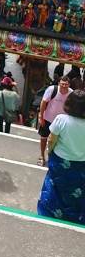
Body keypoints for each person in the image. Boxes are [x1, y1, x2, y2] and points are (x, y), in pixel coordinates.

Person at [37, 88, 85, 225]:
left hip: (60, 161)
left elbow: (51, 140)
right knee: (77, 190)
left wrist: (49, 153)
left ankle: (50, 211)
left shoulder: (61, 119)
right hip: (81, 164)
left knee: (54, 186)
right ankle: (75, 216)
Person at [38, 75, 71, 166]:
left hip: (61, 123)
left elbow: (71, 107)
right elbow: (43, 102)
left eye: (66, 85)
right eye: (62, 84)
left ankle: (51, 158)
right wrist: (41, 116)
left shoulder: (71, 93)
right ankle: (42, 156)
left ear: (69, 85)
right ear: (59, 84)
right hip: (48, 118)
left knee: (57, 141)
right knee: (43, 138)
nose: (64, 86)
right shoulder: (52, 89)